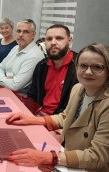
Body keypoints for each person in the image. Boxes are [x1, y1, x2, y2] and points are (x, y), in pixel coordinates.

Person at [6, 43, 109, 172]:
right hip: (69, 157)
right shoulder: (78, 89)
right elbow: (66, 117)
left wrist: (51, 157)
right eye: (83, 66)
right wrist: (32, 119)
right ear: (76, 67)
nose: (88, 72)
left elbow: (97, 156)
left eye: (97, 67)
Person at [26, 24, 78, 115]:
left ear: (69, 41)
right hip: (38, 115)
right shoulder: (42, 65)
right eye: (49, 39)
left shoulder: (79, 66)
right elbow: (32, 95)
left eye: (59, 38)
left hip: (62, 121)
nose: (53, 42)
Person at [0, 19, 44, 92]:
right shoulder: (15, 48)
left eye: (25, 32)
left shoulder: (35, 55)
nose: (21, 35)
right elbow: (0, 67)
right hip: (5, 88)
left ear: (33, 35)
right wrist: (5, 79)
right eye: (18, 31)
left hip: (20, 97)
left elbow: (15, 85)